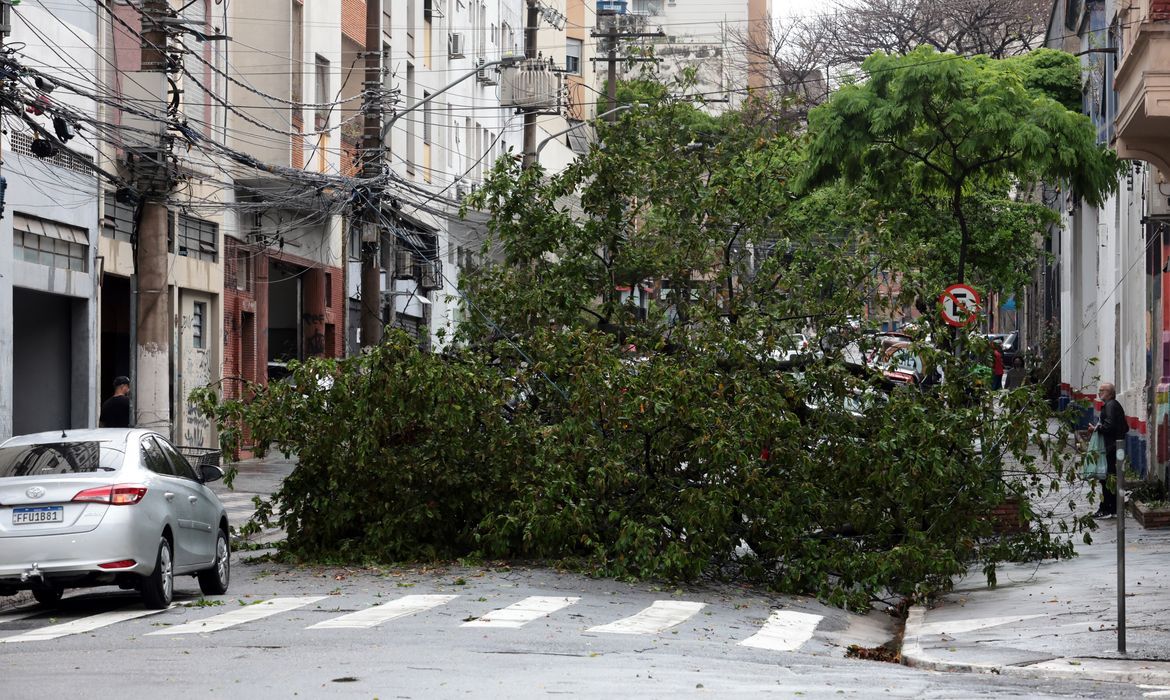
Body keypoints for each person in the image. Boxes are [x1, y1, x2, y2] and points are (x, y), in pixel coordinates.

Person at [1090, 382, 1128, 518]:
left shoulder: (1111, 405)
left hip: (1111, 448)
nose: (1099, 393)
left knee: (1107, 478)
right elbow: (1124, 427)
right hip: (1113, 447)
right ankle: (1109, 507)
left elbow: (1110, 426)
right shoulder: (1111, 405)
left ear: (1110, 393)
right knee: (1107, 478)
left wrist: (1096, 428)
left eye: (1102, 391)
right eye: (1099, 390)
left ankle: (1107, 508)